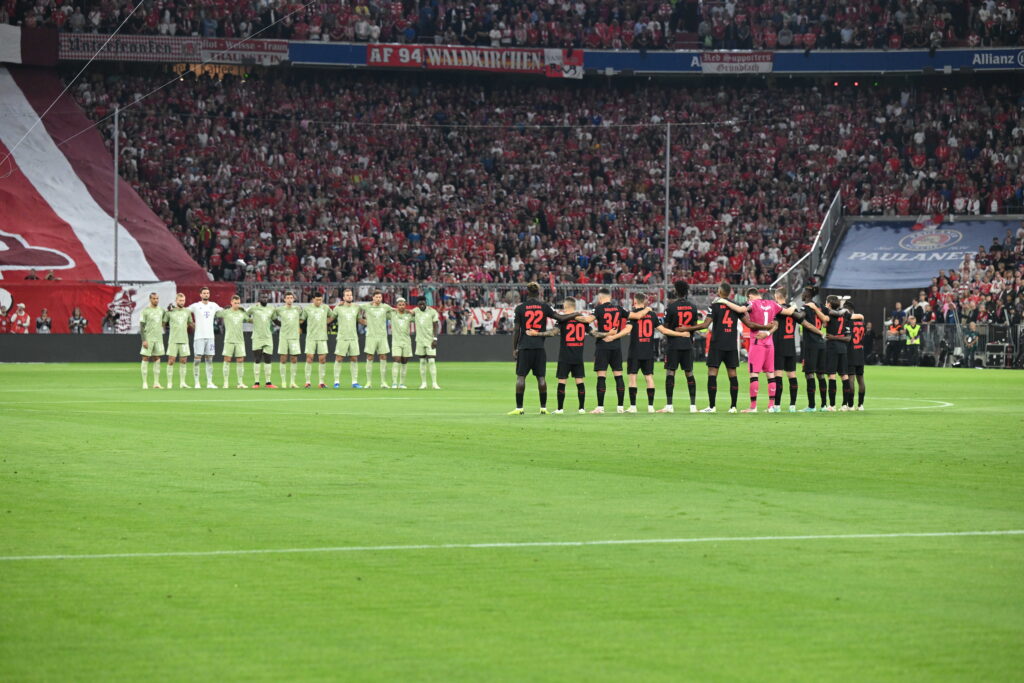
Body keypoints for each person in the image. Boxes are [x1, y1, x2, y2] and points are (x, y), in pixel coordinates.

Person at [508, 281, 582, 415]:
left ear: (527, 292)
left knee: (521, 377)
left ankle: (519, 408)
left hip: (524, 347)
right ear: (539, 293)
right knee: (541, 378)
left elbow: (517, 330)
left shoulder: (520, 308)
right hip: (539, 347)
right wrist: (575, 314)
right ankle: (543, 408)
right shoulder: (544, 307)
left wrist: (515, 348)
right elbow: (560, 317)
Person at [527, 297, 592, 414]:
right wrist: (609, 334)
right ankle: (582, 408)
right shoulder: (582, 319)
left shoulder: (563, 320)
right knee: (580, 381)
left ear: (565, 306)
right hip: (578, 356)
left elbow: (552, 333)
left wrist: (537, 333)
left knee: (562, 382)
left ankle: (560, 409)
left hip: (565, 356)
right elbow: (594, 333)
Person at [656, 280, 707, 413]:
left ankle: (669, 405)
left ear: (676, 291)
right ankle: (693, 406)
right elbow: (694, 326)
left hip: (673, 344)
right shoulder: (693, 307)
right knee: (689, 373)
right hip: (688, 344)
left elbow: (666, 327)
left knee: (670, 372)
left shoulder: (671, 308)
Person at [700, 282, 749, 413]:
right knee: (732, 373)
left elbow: (706, 324)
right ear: (730, 293)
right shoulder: (736, 306)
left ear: (720, 292)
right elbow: (748, 322)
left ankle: (711, 406)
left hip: (717, 344)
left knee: (712, 373)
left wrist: (690, 328)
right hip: (731, 344)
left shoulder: (715, 305)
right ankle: (733, 407)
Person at [740, 288, 784, 413]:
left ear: (750, 296)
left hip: (757, 342)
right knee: (770, 374)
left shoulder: (752, 304)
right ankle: (771, 406)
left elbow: (742, 309)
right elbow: (786, 312)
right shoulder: (773, 304)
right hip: (770, 344)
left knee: (754, 374)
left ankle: (753, 407)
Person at [589, 287, 631, 414]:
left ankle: (600, 407)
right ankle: (620, 407)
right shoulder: (619, 308)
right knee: (618, 376)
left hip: (603, 346)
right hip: (616, 345)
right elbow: (634, 316)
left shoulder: (598, 309)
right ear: (610, 297)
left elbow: (588, 320)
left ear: (600, 298)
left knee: (601, 377)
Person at [625, 292, 662, 413]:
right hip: (648, 351)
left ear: (635, 302)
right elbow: (662, 329)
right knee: (649, 378)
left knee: (632, 378)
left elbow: (628, 330)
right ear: (644, 302)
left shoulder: (632, 315)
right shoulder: (652, 314)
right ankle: (651, 407)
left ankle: (633, 407)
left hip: (635, 351)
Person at [771, 288, 801, 412]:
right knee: (792, 375)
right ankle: (792, 405)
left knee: (778, 375)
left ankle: (777, 406)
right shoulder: (793, 309)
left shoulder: (776, 308)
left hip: (779, 345)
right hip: (791, 345)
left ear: (777, 296)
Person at [799, 286, 829, 412]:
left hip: (811, 344)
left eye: (803, 292)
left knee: (809, 374)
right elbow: (828, 318)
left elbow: (800, 317)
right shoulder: (820, 307)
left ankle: (811, 406)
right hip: (822, 344)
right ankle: (824, 405)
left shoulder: (805, 307)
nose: (802, 294)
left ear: (807, 294)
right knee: (821, 375)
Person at [821, 295, 852, 411]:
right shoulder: (846, 316)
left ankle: (832, 405)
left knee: (832, 376)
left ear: (829, 303)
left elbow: (824, 323)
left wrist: (833, 337)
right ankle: (845, 405)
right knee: (844, 376)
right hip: (843, 348)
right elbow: (848, 337)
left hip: (832, 347)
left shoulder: (828, 313)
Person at [187, 286, 222, 389]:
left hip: (210, 337)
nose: (206, 294)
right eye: (204, 293)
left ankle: (209, 382)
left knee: (209, 360)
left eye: (207, 293)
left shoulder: (213, 305)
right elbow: (184, 311)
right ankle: (197, 382)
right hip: (199, 337)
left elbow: (223, 312)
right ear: (200, 294)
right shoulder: (196, 306)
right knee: (197, 359)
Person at [360, 289, 393, 389]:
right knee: (370, 357)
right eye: (376, 297)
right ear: (373, 298)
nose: (378, 299)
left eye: (380, 297)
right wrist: (342, 303)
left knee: (383, 357)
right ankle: (368, 382)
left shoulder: (385, 307)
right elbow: (355, 306)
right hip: (371, 336)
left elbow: (395, 310)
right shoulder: (367, 306)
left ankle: (383, 382)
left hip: (382, 336)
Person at [332, 288, 363, 389]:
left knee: (354, 358)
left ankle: (354, 382)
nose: (349, 296)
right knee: (339, 358)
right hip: (342, 337)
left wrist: (370, 324)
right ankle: (336, 381)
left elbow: (359, 320)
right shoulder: (338, 308)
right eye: (347, 295)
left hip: (353, 337)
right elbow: (331, 318)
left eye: (350, 295)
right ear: (344, 297)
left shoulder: (356, 308)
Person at [216, 295, 249, 389]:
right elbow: (215, 314)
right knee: (227, 360)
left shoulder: (242, 313)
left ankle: (240, 382)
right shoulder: (226, 312)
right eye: (235, 303)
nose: (237, 305)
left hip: (240, 340)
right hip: (229, 340)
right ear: (231, 302)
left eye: (238, 303)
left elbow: (249, 319)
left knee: (240, 360)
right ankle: (226, 382)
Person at [247, 293, 277, 388]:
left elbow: (275, 320)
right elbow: (245, 314)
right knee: (257, 359)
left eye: (266, 297)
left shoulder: (271, 308)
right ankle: (256, 382)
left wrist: (286, 324)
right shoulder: (254, 308)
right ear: (259, 298)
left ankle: (268, 382)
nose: (264, 298)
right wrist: (249, 320)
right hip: (257, 337)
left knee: (268, 359)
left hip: (268, 337)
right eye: (263, 297)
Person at [301, 291, 330, 388]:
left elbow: (333, 316)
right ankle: (307, 382)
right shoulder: (307, 308)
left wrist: (325, 322)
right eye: (317, 300)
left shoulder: (325, 308)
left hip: (322, 337)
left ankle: (321, 382)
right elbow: (302, 320)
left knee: (322, 359)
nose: (319, 301)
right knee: (309, 358)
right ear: (313, 299)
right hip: (311, 337)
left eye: (320, 300)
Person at [164, 293, 193, 389]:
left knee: (183, 361)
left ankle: (183, 383)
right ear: (176, 301)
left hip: (184, 339)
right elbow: (163, 323)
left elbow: (190, 323)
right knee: (171, 361)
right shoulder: (170, 311)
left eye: (183, 300)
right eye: (180, 300)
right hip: (173, 340)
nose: (182, 302)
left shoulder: (187, 312)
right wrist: (166, 311)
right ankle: (169, 383)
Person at [273, 291, 302, 388]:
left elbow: (303, 319)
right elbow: (273, 318)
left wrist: (298, 327)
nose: (289, 299)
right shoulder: (279, 309)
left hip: (294, 337)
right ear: (284, 299)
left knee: (294, 359)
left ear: (293, 299)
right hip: (284, 337)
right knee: (283, 358)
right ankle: (284, 382)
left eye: (291, 297)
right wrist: (281, 325)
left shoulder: (298, 309)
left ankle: (293, 382)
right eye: (288, 298)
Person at [413, 298, 442, 390]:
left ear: (426, 303)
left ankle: (434, 383)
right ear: (417, 304)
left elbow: (436, 325)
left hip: (430, 340)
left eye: (423, 303)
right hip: (420, 340)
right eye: (419, 303)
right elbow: (407, 312)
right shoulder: (415, 311)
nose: (421, 305)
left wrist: (435, 338)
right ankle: (423, 383)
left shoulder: (432, 312)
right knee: (422, 362)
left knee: (432, 361)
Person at [139, 292, 165, 389]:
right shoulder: (145, 311)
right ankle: (145, 382)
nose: (156, 300)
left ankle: (156, 383)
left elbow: (167, 318)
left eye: (157, 298)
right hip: (148, 338)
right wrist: (144, 340)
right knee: (145, 358)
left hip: (158, 338)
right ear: (150, 299)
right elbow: (141, 326)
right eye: (154, 298)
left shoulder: (161, 310)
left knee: (157, 358)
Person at [389, 298, 414, 389]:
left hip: (406, 341)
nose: (401, 306)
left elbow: (417, 315)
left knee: (404, 361)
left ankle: (402, 383)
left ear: (405, 305)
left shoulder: (409, 315)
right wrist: (393, 309)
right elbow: (385, 308)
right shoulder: (392, 314)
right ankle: (394, 383)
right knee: (396, 359)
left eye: (403, 304)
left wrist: (411, 311)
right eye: (399, 305)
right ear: (396, 306)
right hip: (396, 341)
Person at [847, 303, 867, 410]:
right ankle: (861, 404)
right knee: (861, 379)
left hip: (851, 353)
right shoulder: (862, 323)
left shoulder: (848, 322)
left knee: (851, 379)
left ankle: (850, 405)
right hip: (860, 352)